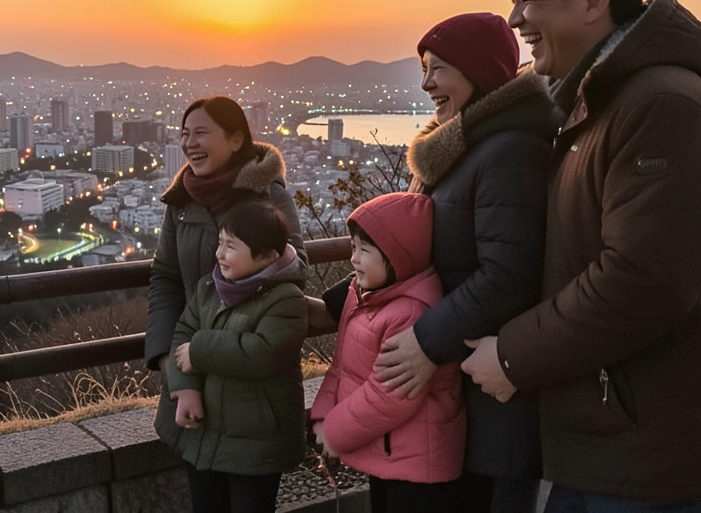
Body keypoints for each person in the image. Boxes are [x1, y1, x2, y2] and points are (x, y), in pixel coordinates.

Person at [462, 0, 701, 511]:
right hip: (621, 436)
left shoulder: (662, 106)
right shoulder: (594, 103)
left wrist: (512, 356)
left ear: (592, 1)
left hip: (669, 450)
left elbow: (642, 280)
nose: (514, 20)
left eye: (528, 0)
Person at [351, 12, 556, 513]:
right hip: (454, 393)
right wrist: (338, 303)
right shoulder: (455, 149)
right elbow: (415, 259)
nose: (426, 84)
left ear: (479, 72)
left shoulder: (509, 150)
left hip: (491, 406)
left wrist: (424, 341)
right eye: (424, 69)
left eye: (438, 68)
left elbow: (507, 276)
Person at [146, 97, 307, 458]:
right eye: (184, 134)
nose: (189, 143)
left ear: (236, 139)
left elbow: (294, 271)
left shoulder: (268, 196)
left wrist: (213, 348)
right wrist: (171, 364)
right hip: (188, 375)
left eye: (201, 133)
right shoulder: (181, 202)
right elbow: (165, 278)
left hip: (253, 388)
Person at [311, 192, 465, 512]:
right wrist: (322, 417)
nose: (354, 260)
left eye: (364, 250)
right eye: (353, 247)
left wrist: (333, 432)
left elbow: (389, 396)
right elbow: (340, 365)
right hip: (389, 451)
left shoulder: (412, 313)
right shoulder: (363, 295)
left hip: (418, 463)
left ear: (398, 257)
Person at [166, 199, 309, 513]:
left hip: (257, 441)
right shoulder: (210, 288)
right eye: (220, 243)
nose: (219, 254)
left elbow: (264, 353)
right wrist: (185, 389)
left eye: (231, 246)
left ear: (266, 256)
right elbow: (181, 334)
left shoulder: (286, 298)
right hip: (205, 433)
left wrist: (200, 351)